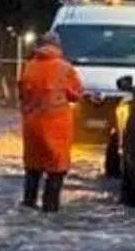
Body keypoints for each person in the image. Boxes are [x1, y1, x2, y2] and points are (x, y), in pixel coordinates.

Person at [17, 31, 84, 212]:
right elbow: (77, 94)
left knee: (33, 169)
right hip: (56, 128)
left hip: (32, 127)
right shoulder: (64, 68)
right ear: (58, 46)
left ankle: (29, 204)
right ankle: (50, 209)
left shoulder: (29, 66)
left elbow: (22, 94)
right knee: (56, 170)